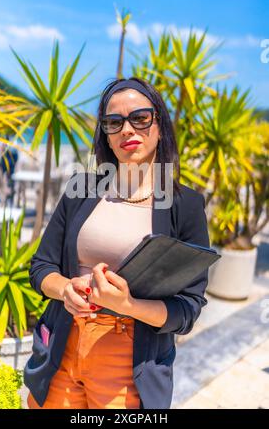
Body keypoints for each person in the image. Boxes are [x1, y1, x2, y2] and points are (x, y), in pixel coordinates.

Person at [24, 77, 210, 410]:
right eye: (114, 122)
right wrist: (66, 288)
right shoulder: (81, 190)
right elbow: (41, 267)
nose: (127, 130)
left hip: (129, 365)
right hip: (62, 349)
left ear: (160, 125)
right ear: (106, 136)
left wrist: (129, 306)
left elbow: (188, 308)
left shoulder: (185, 205)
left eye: (140, 118)